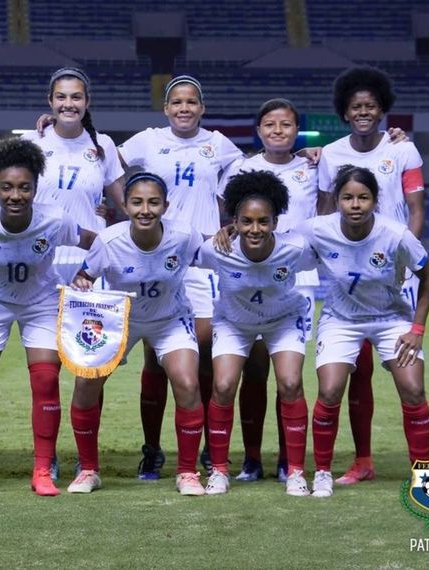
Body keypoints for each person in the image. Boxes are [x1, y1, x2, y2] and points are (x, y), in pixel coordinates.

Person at [0, 137, 96, 497]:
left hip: (40, 302)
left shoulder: (54, 219)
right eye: (6, 187)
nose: (15, 195)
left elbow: (91, 240)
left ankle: (42, 470)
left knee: (45, 382)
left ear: (36, 188)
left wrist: (95, 265)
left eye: (24, 187)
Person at [118, 75, 243, 478]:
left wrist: (230, 224)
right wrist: (122, 210)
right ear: (166, 108)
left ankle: (207, 444)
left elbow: (250, 177)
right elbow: (104, 163)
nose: (184, 108)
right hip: (156, 257)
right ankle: (152, 449)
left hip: (203, 261)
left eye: (191, 102)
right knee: (154, 361)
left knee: (201, 356)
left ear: (201, 108)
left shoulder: (219, 143)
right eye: (176, 102)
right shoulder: (147, 141)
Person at [297, 165, 429, 498]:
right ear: (337, 201)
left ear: (375, 201)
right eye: (347, 197)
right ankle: (323, 474)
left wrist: (416, 329)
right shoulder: (316, 229)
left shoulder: (395, 233)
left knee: (413, 389)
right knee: (330, 391)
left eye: (363, 197)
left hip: (392, 319)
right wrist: (230, 232)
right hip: (341, 319)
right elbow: (274, 240)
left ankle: (424, 476)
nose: (355, 204)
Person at [317, 66, 426, 487]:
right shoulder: (330, 153)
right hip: (348, 273)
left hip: (395, 271)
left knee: (407, 380)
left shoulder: (404, 151)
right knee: (355, 370)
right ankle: (362, 460)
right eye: (355, 107)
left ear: (382, 111)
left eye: (371, 106)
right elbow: (326, 211)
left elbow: (416, 209)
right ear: (344, 112)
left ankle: (422, 472)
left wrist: (405, 257)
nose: (363, 112)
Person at [68, 172, 206, 496]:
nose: (146, 209)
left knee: (187, 382)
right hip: (121, 320)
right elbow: (84, 275)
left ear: (166, 206)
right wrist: (83, 282)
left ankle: (187, 472)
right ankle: (88, 469)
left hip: (170, 319)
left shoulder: (185, 236)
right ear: (125, 205)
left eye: (154, 202)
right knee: (86, 379)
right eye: (138, 202)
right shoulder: (109, 241)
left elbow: (213, 255)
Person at [219, 98, 320, 484]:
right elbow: (228, 216)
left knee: (288, 376)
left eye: (287, 125)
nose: (278, 131)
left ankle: (287, 459)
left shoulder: (313, 165)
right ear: (258, 130)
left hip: (298, 277)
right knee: (254, 372)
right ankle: (251, 457)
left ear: (297, 130)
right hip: (250, 273)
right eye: (270, 125)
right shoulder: (242, 167)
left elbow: (325, 211)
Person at [199, 170, 317, 496]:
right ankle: (220, 471)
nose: (255, 229)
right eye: (247, 221)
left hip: (282, 321)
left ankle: (295, 471)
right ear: (234, 222)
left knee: (291, 383)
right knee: (222, 385)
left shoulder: (296, 249)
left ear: (275, 223)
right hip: (234, 323)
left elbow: (335, 251)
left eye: (263, 221)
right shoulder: (216, 249)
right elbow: (179, 251)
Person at [22, 67, 124, 285]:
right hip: (39, 256)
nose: (68, 104)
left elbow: (127, 204)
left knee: (88, 322)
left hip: (89, 261)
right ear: (50, 101)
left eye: (76, 97)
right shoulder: (30, 142)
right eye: (61, 97)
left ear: (87, 102)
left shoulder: (103, 144)